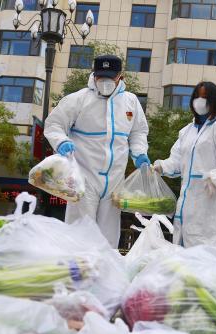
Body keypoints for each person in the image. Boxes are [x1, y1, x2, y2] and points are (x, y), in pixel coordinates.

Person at [44, 55, 150, 248]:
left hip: (115, 180)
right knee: (79, 233)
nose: (105, 82)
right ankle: (76, 273)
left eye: (110, 77)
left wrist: (139, 152)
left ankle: (104, 274)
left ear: (121, 77)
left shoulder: (131, 102)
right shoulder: (78, 99)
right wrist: (61, 142)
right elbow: (54, 125)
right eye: (101, 77)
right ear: (94, 75)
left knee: (108, 237)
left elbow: (138, 132)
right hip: (84, 177)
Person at [152, 81, 216, 248]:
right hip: (187, 204)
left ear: (214, 100)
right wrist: (162, 166)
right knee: (183, 253)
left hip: (210, 202)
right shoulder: (187, 131)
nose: (200, 101)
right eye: (197, 96)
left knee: (205, 254)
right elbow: (177, 160)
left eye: (204, 97)